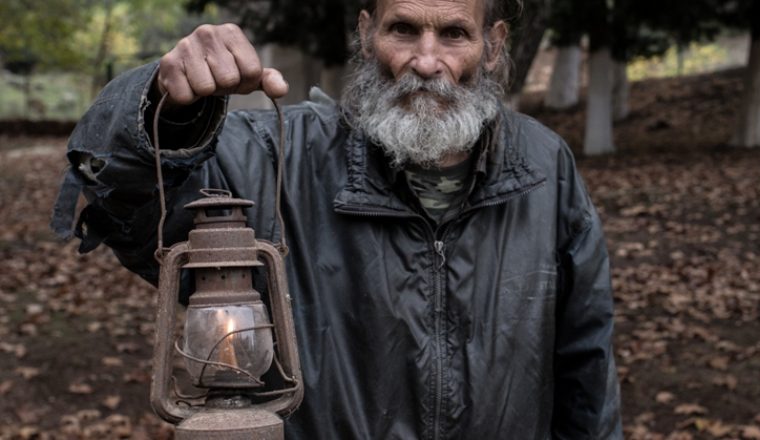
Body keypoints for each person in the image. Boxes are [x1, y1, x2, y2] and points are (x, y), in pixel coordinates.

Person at [52, 0, 622, 438]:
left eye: (454, 34)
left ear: (493, 46)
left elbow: (585, 368)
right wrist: (163, 105)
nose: (427, 62)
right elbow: (124, 198)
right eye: (403, 30)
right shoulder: (276, 156)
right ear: (367, 33)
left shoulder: (545, 166)